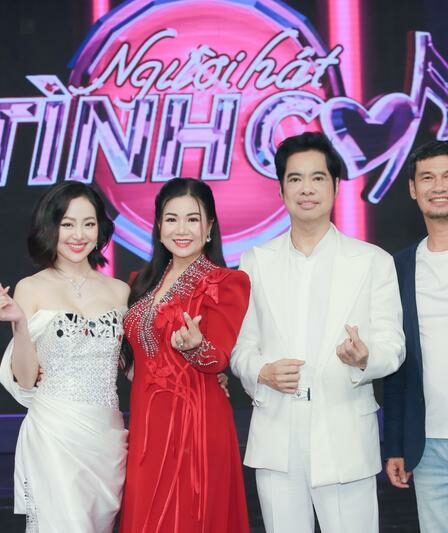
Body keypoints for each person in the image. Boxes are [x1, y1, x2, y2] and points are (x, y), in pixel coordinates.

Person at [230, 131, 405, 533]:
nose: (306, 189)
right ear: (281, 190)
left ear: (335, 186)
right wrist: (261, 371)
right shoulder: (255, 261)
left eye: (317, 177)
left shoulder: (372, 261)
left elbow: (393, 345)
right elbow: (241, 348)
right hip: (277, 435)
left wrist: (365, 357)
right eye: (295, 179)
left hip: (345, 433)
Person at [119, 177, 250, 533]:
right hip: (146, 425)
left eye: (193, 219)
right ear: (158, 225)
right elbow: (130, 356)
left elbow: (218, 358)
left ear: (209, 227)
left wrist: (196, 347)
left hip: (196, 422)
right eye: (171, 218)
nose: (181, 229)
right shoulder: (139, 283)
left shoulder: (227, 283)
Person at [0, 182, 129, 533]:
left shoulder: (120, 291)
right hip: (55, 434)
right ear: (51, 226)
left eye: (88, 224)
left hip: (106, 439)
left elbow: (131, 366)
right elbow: (26, 379)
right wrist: (19, 324)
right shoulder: (31, 287)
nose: (78, 235)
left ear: (100, 229)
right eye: (67, 224)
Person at [383, 140, 448, 533]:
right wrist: (394, 444)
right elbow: (398, 365)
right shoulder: (399, 268)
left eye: (447, 176)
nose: (438, 186)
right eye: (427, 177)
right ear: (412, 188)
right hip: (428, 444)